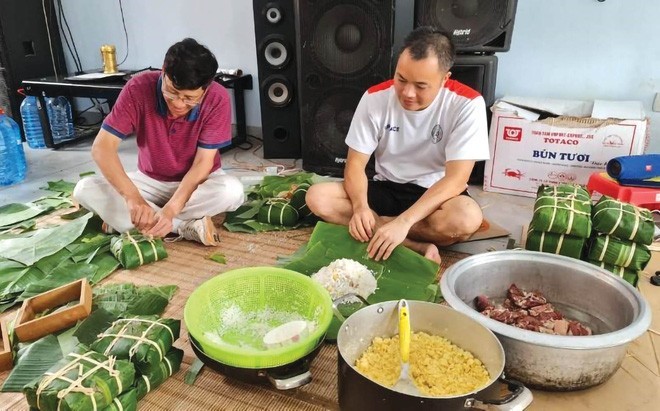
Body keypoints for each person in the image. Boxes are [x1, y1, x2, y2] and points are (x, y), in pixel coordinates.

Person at [305, 27, 489, 264]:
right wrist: (361, 208)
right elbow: (355, 165)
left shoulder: (467, 104)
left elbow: (456, 179)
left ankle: (384, 230)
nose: (407, 93)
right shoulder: (374, 98)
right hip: (387, 187)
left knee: (465, 219)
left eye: (421, 86)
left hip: (435, 195)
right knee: (318, 197)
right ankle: (411, 243)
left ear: (445, 79)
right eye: (401, 79)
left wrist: (404, 222)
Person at [73, 38, 244, 246]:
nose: (179, 104)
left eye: (189, 98)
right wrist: (133, 199)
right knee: (84, 189)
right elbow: (102, 148)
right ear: (163, 71)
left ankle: (125, 221)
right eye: (172, 92)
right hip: (150, 181)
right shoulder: (138, 88)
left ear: (206, 88)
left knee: (231, 192)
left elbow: (203, 164)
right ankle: (183, 227)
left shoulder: (217, 98)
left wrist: (171, 209)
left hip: (199, 182)